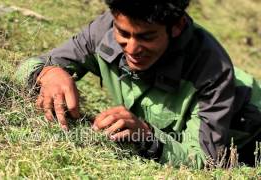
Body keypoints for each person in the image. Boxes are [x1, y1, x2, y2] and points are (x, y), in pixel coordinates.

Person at [16, 0, 261, 168]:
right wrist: (48, 72)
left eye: (147, 37)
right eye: (123, 33)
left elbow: (205, 162)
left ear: (177, 27)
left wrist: (146, 136)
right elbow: (32, 65)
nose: (132, 49)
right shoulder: (103, 29)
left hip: (249, 124)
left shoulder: (213, 71)